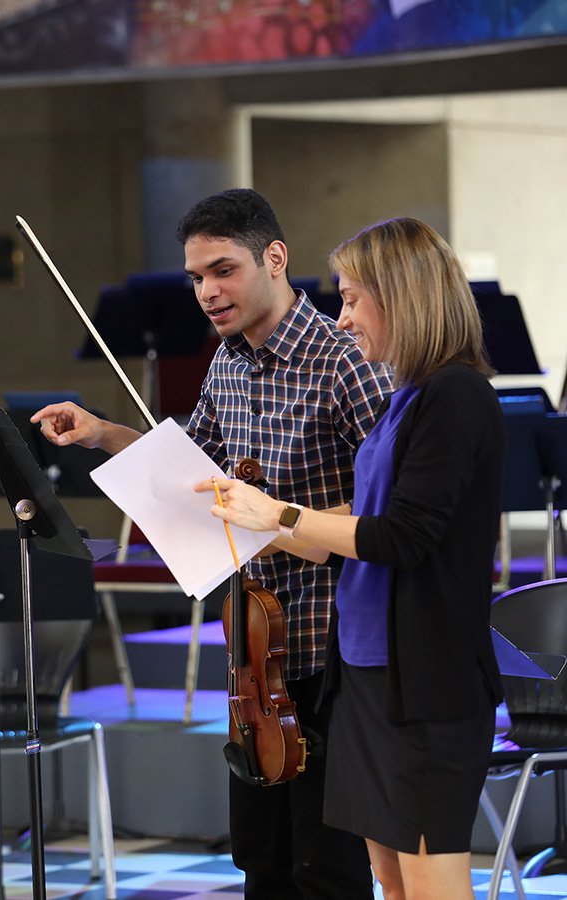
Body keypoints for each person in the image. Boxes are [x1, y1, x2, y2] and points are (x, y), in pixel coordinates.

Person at [30, 188, 393, 900]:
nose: (207, 292)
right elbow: (189, 466)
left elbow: (391, 509)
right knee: (260, 859)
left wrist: (285, 521)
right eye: (196, 276)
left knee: (326, 867)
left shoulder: (344, 359)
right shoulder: (227, 364)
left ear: (275, 258)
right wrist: (103, 431)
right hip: (256, 654)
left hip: (336, 650)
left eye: (223, 270)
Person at [194, 216, 506, 900]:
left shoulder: (458, 396)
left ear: (404, 298)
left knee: (429, 881)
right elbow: (335, 536)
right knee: (390, 880)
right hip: (363, 674)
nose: (342, 319)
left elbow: (402, 536)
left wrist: (276, 513)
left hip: (425, 680)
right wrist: (251, 518)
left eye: (354, 299)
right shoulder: (406, 398)